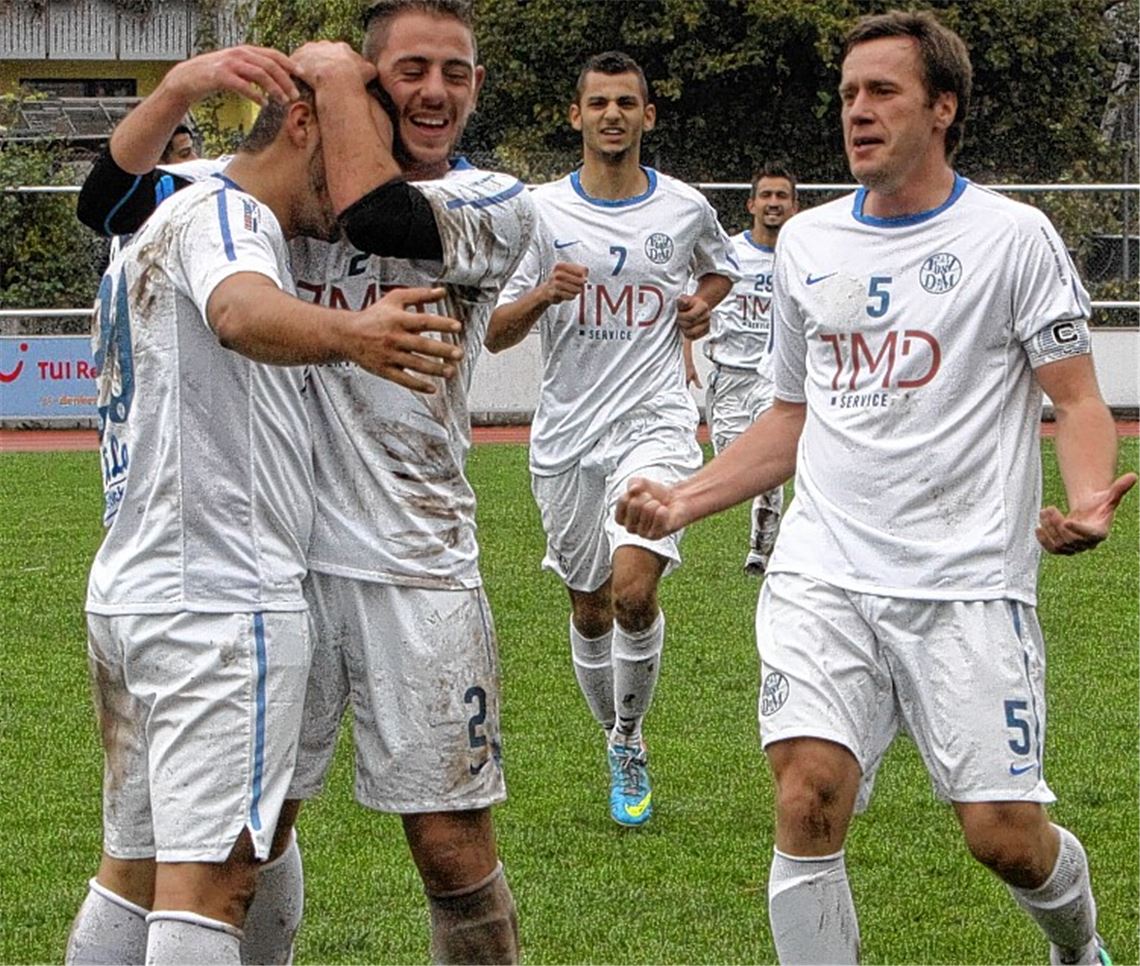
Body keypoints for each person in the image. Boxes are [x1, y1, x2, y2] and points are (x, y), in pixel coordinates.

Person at [617, 9, 1136, 963]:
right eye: (849, 94)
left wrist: (1088, 495)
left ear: (943, 107)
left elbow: (1078, 396)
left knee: (1004, 838)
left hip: (967, 582)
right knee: (806, 793)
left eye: (882, 91)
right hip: (825, 570)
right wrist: (688, 496)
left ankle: (1080, 945)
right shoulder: (808, 245)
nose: (857, 111)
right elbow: (789, 416)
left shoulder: (1014, 239)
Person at [76, 4, 535, 961]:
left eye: (457, 71)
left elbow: (382, 217)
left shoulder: (493, 202)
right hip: (272, 569)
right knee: (249, 833)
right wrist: (188, 87)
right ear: (359, 88)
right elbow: (108, 202)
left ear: (479, 86)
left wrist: (327, 81)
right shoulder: (257, 191)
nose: (435, 93)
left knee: (451, 844)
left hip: (412, 560)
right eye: (408, 71)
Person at [486, 51, 738, 828]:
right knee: (591, 607)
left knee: (634, 593)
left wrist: (700, 304)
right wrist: (541, 291)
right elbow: (493, 332)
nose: (613, 116)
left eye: (627, 102)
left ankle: (630, 738)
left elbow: (719, 273)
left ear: (647, 115)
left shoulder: (686, 208)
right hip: (567, 434)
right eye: (598, 103)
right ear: (577, 115)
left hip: (655, 421)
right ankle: (611, 731)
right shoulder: (539, 212)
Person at [683, 163, 799, 576]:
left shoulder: (801, 256)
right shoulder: (731, 254)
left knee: (769, 469)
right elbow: (696, 302)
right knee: (733, 461)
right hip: (729, 374)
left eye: (781, 196)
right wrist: (687, 356)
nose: (773, 204)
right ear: (751, 203)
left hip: (776, 377)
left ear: (793, 205)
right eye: (766, 196)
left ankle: (760, 554)